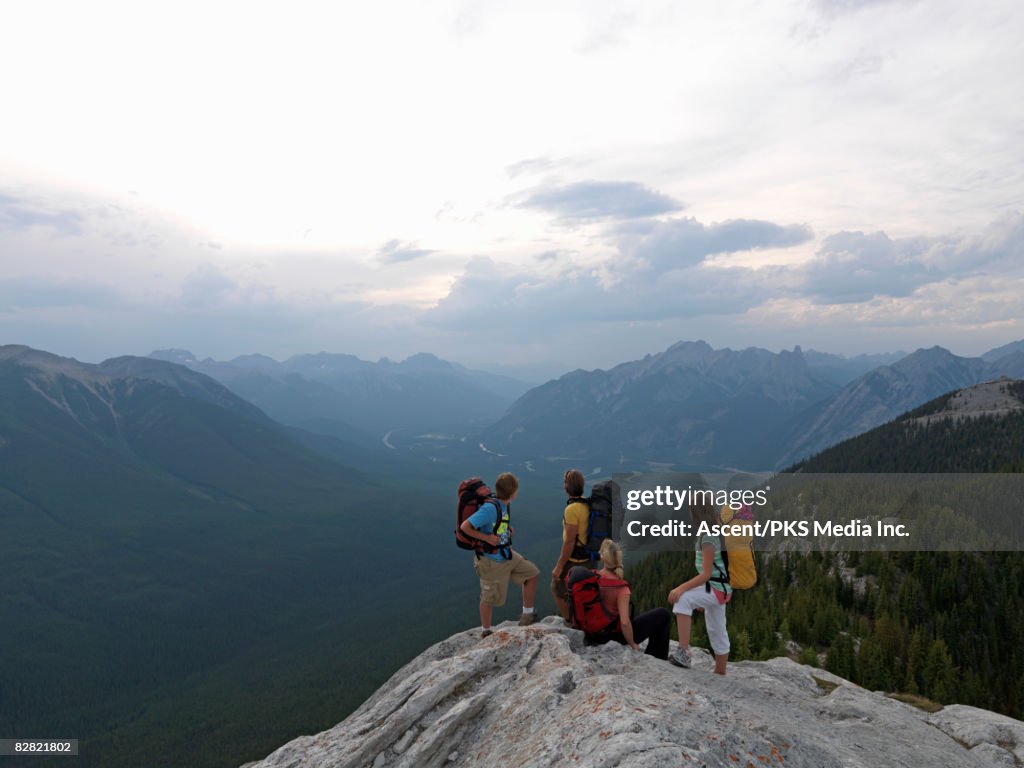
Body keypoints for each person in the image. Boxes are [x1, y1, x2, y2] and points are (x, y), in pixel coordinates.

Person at [460, 472, 540, 636]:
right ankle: (486, 631)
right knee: (488, 598)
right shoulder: (490, 508)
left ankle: (527, 615)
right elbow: (465, 527)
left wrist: (506, 531)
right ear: (513, 492)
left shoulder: (503, 504)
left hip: (506, 554)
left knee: (531, 574)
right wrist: (486, 538)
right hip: (491, 560)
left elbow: (496, 524)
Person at [667, 498, 731, 674]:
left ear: (695, 514)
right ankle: (720, 673)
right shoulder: (714, 532)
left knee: (682, 600)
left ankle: (683, 653)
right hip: (721, 589)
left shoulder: (708, 538)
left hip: (715, 588)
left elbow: (706, 574)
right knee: (717, 630)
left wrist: (680, 588)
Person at [588, 539, 671, 659]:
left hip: (592, 634)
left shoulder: (591, 578)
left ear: (602, 558)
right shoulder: (620, 587)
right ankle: (657, 656)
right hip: (612, 636)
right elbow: (625, 623)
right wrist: (632, 643)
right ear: (618, 560)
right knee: (662, 614)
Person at [551, 468, 596, 622]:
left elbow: (570, 541)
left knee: (557, 588)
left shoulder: (572, 509)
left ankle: (571, 623)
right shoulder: (588, 505)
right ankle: (585, 622)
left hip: (575, 561)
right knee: (584, 593)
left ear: (566, 487)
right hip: (590, 559)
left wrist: (559, 566)